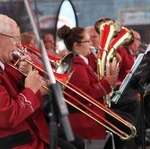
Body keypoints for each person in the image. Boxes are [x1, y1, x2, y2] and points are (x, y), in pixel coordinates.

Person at [57, 25, 141, 149]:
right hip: (86, 113)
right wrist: (106, 83)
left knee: (129, 117)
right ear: (76, 45)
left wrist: (108, 77)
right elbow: (84, 95)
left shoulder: (82, 61)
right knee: (127, 126)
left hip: (92, 108)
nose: (91, 43)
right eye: (87, 41)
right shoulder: (77, 66)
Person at [0, 14, 51, 149]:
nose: (20, 45)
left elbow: (17, 93)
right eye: (15, 38)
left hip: (27, 134)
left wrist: (27, 75)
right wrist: (30, 89)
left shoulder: (5, 65)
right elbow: (8, 116)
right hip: (17, 142)